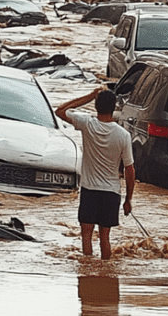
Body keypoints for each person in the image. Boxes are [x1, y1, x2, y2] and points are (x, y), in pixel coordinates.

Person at [55, 86, 135, 260]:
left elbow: (60, 110)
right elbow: (130, 170)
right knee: (105, 238)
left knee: (86, 237)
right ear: (114, 108)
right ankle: (105, 275)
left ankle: (88, 275)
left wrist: (91, 95)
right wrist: (128, 199)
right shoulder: (123, 135)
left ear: (95, 106)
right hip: (112, 193)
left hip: (90, 190)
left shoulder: (87, 123)